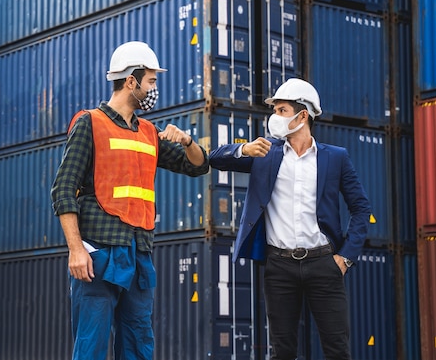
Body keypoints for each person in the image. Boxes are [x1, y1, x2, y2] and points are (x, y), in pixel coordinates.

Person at [51, 41, 209, 360]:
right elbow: (63, 189)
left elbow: (197, 166)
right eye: (151, 81)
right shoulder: (90, 123)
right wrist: (76, 250)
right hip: (99, 253)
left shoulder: (149, 132)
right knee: (91, 346)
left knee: (139, 344)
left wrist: (188, 140)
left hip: (138, 254)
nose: (155, 88)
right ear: (131, 81)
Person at [209, 78, 371, 360]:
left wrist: (345, 258)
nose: (275, 117)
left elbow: (361, 208)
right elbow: (214, 158)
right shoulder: (264, 153)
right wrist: (243, 149)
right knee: (282, 352)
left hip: (324, 263)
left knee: (337, 350)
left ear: (303, 115)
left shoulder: (335, 158)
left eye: (282, 110)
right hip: (279, 266)